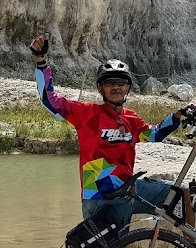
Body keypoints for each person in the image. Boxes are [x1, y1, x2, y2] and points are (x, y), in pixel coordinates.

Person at [29, 33, 187, 232]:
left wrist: (177, 116)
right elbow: (49, 99)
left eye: (121, 82)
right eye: (109, 82)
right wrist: (41, 61)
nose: (115, 86)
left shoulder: (132, 119)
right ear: (100, 89)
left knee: (179, 193)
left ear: (128, 87)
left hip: (129, 190)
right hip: (97, 196)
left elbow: (154, 135)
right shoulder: (86, 113)